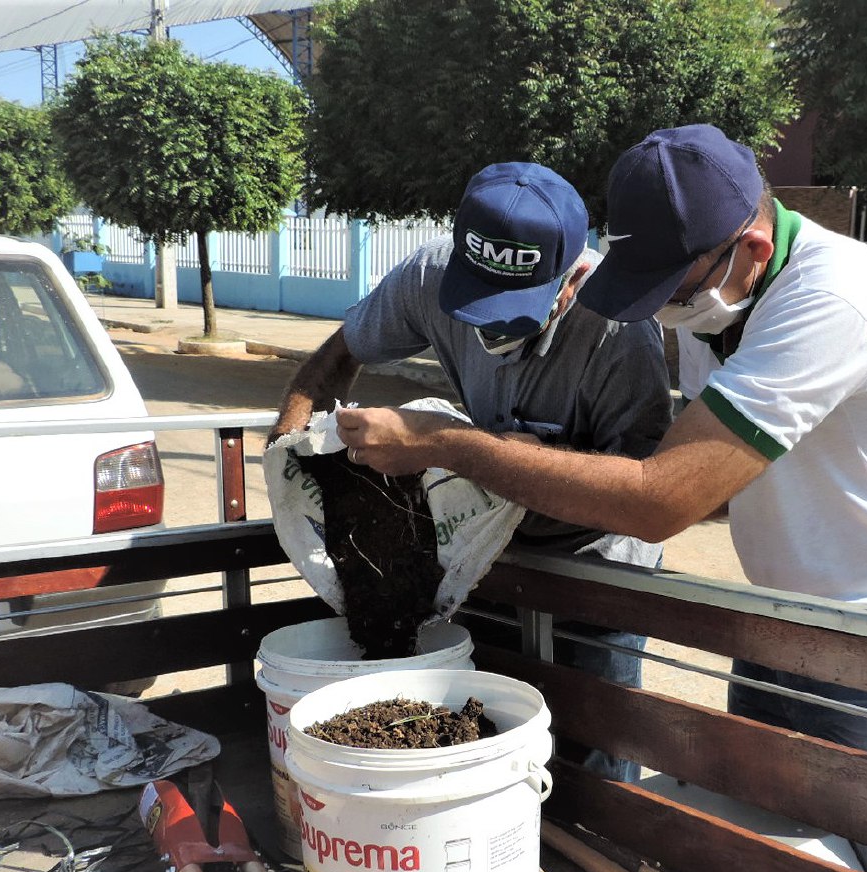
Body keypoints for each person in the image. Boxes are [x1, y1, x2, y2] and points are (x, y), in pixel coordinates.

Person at [335, 125, 867, 761]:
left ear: (753, 249)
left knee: (861, 837)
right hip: (786, 618)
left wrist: (451, 445)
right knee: (758, 822)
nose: (659, 312)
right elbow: (712, 486)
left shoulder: (833, 300)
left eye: (670, 289)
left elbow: (660, 501)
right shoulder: (723, 302)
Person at [271, 162, 673, 782]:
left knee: (592, 768)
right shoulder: (430, 275)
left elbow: (634, 501)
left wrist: (453, 446)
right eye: (476, 303)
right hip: (488, 558)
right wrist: (288, 443)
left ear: (572, 280)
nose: (489, 327)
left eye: (513, 311)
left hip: (594, 575)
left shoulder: (620, 334)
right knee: (489, 744)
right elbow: (345, 346)